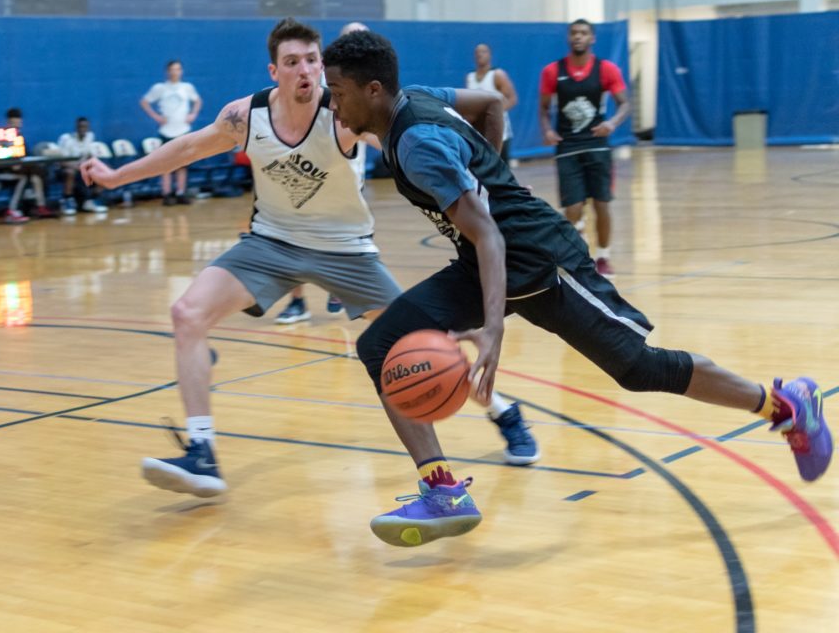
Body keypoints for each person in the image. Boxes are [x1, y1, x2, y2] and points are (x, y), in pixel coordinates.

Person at [322, 29, 832, 548]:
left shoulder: (416, 143)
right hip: (487, 262)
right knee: (378, 345)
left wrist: (492, 325)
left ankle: (786, 405)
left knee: (639, 368)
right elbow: (491, 105)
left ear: (375, 89)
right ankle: (443, 490)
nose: (332, 105)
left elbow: (491, 233)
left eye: (337, 92)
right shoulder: (421, 98)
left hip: (538, 259)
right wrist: (490, 171)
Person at [81, 18, 538, 502]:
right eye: (294, 62)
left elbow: (412, 138)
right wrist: (115, 178)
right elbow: (188, 147)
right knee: (186, 313)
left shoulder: (343, 113)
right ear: (274, 70)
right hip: (271, 244)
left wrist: (485, 182)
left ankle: (502, 411)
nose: (306, 71)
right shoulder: (247, 116)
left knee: (426, 347)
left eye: (314, 61)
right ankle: (201, 452)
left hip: (347, 251)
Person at [275, 21, 370, 324]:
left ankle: (338, 287)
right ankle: (298, 302)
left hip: (347, 174)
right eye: (351, 39)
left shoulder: (374, 85)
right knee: (292, 235)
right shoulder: (322, 77)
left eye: (362, 39)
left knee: (339, 239)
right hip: (309, 170)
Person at [539, 19, 629, 278]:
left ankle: (603, 256)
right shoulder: (552, 71)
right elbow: (544, 108)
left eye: (583, 33)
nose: (578, 36)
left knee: (602, 204)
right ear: (569, 38)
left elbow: (624, 104)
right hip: (567, 146)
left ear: (593, 39)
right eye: (574, 33)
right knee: (572, 208)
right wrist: (547, 129)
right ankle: (576, 249)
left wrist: (611, 123)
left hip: (597, 145)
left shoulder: (606, 69)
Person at [139, 60, 203, 205]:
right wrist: (156, 116)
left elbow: (198, 101)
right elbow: (144, 101)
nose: (175, 72)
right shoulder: (160, 88)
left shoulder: (187, 87)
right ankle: (167, 194)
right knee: (166, 164)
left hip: (183, 131)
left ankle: (180, 192)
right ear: (168, 72)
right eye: (172, 69)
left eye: (178, 69)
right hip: (166, 131)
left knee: (182, 164)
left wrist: (193, 114)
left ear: (181, 71)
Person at [466, 43, 518, 164]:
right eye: (477, 52)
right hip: (479, 132)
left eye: (483, 51)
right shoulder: (470, 77)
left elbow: (512, 98)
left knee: (501, 170)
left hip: (500, 132)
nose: (480, 54)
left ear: (490, 55)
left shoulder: (497, 75)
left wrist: (494, 113)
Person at [57, 116, 107, 215]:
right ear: (76, 127)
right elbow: (61, 162)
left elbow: (91, 156)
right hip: (66, 168)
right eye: (81, 127)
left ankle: (92, 200)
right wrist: (78, 167)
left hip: (82, 168)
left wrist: (98, 166)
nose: (83, 129)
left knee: (104, 170)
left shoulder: (90, 137)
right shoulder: (67, 139)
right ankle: (67, 201)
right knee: (69, 172)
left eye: (85, 127)